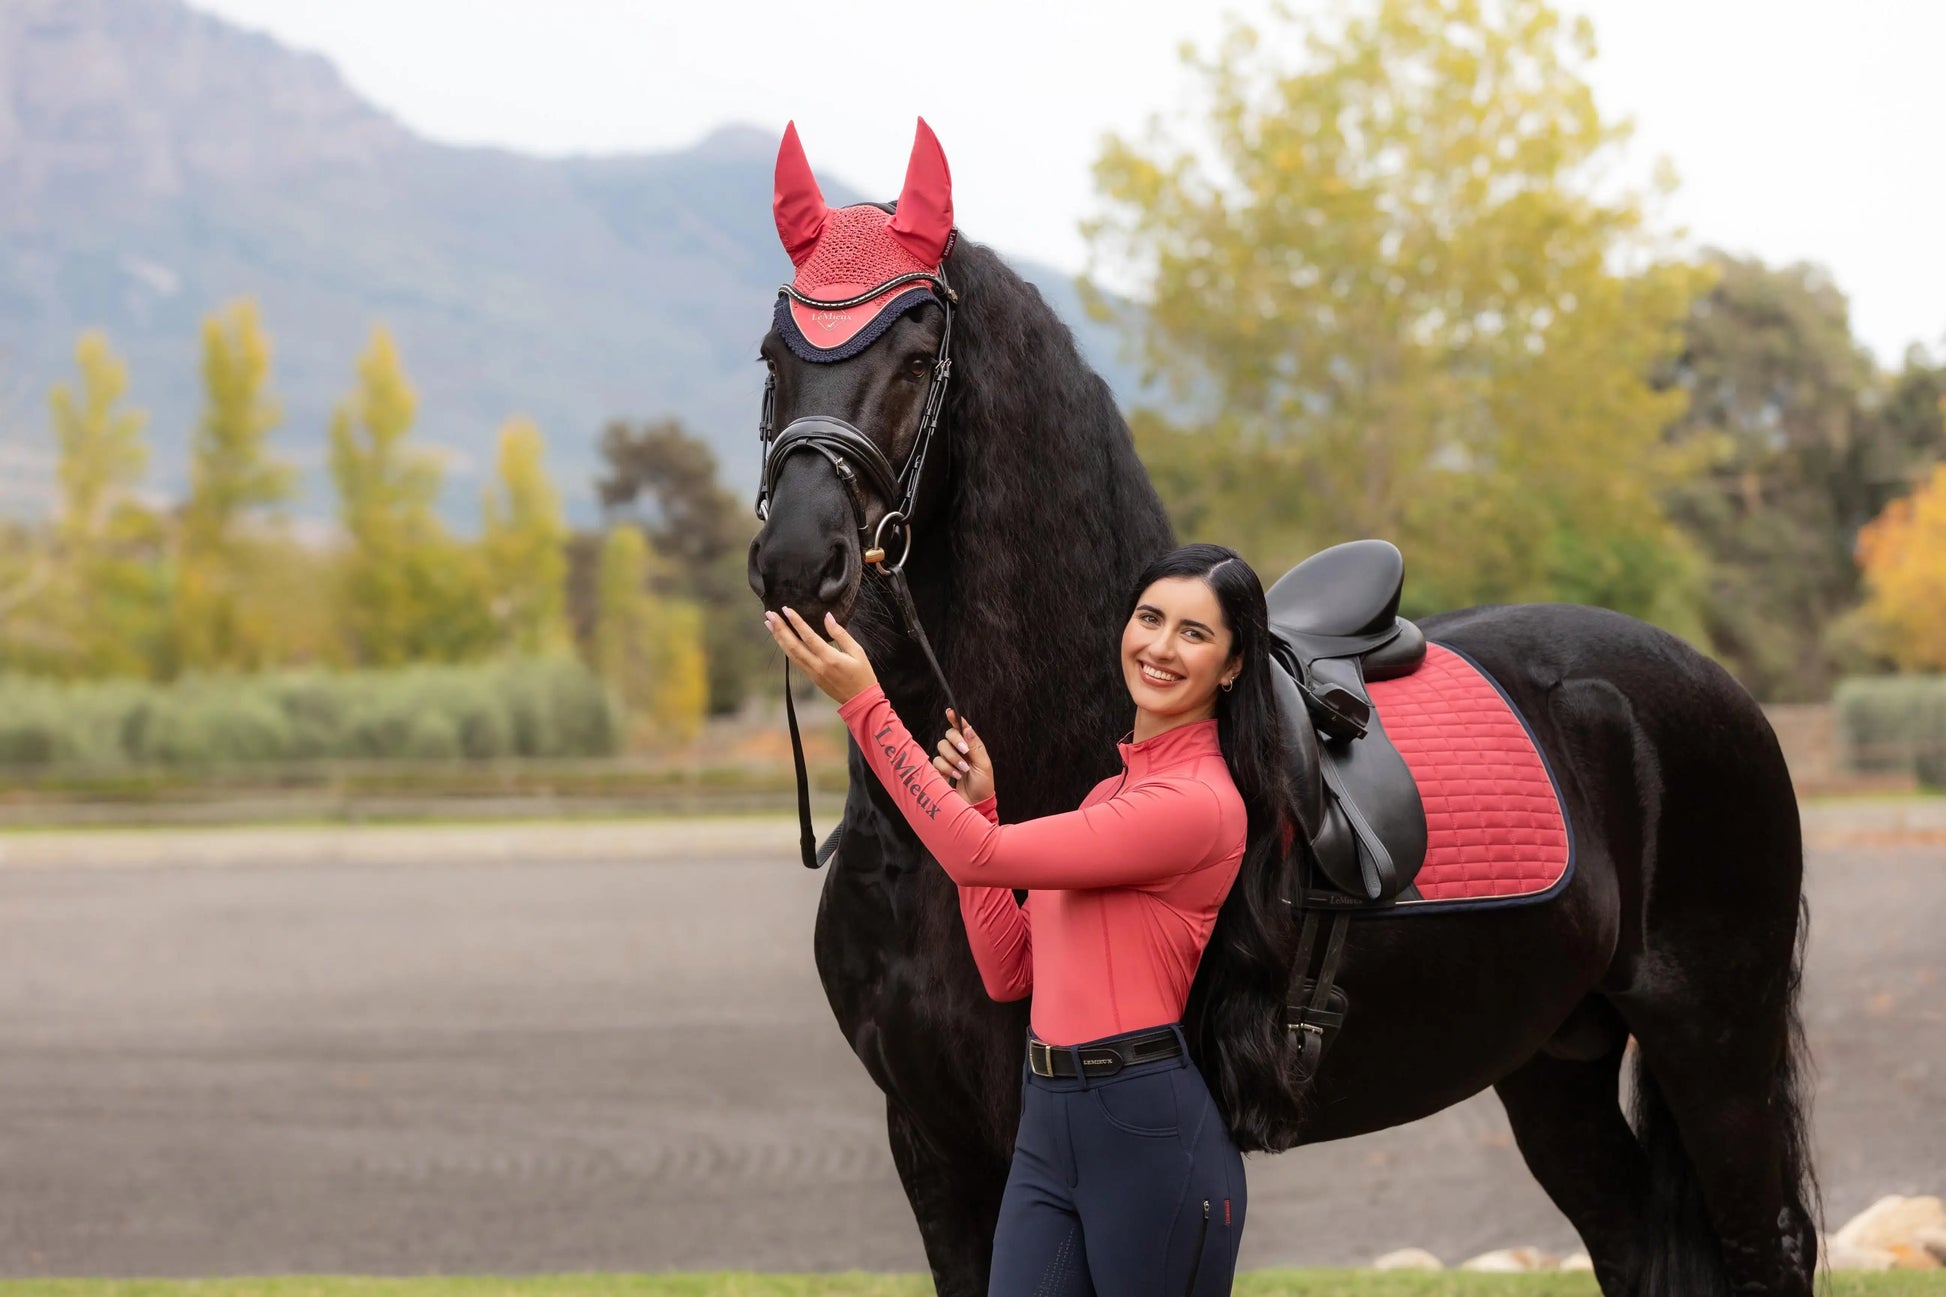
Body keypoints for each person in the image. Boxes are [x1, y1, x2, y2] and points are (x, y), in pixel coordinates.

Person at [764, 542, 1302, 1296]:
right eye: (1150, 618)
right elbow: (1009, 970)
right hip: (1048, 1119)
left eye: (1194, 632)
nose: (1159, 647)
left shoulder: (1196, 803)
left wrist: (865, 705)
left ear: (1234, 664)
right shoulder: (1111, 793)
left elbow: (977, 855)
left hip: (1145, 1132)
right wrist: (981, 805)